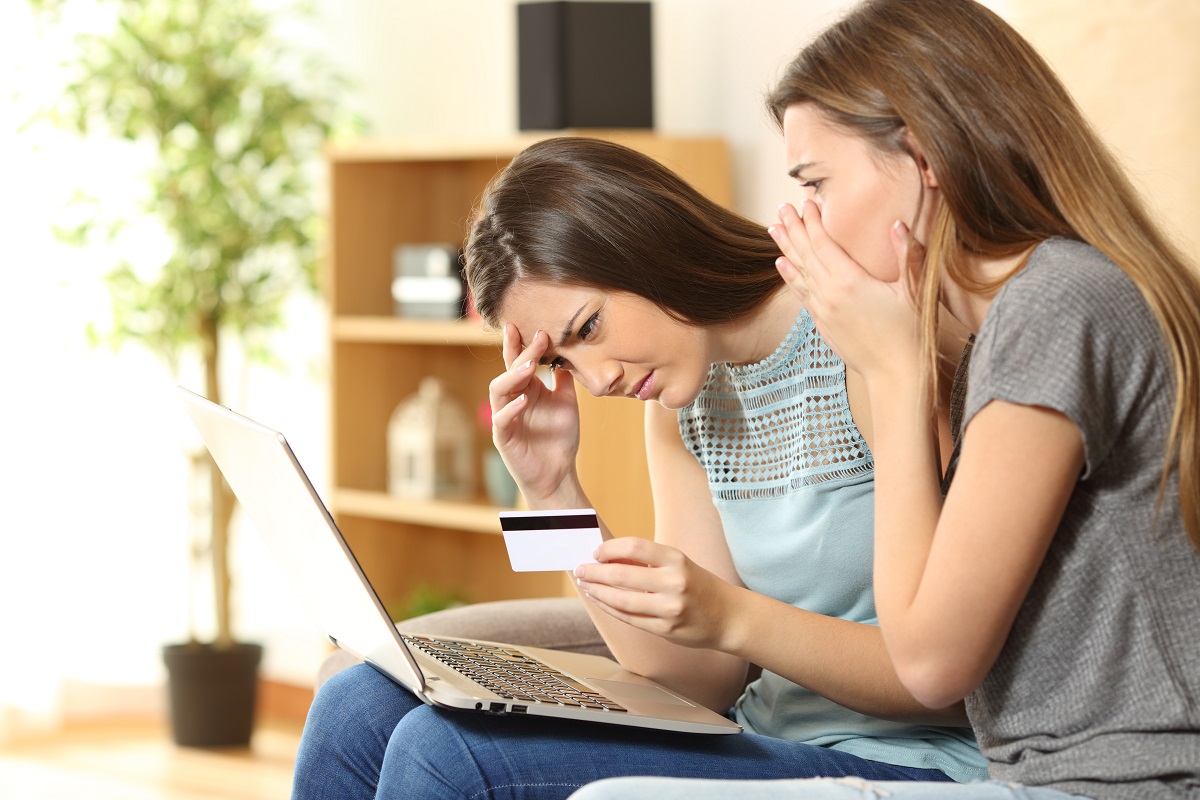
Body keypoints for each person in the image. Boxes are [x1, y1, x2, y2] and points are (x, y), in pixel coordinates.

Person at [567, 1, 1200, 799]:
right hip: (1030, 773)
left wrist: (895, 375)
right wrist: (552, 490)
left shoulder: (1056, 307)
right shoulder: (1013, 321)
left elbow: (929, 663)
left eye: (816, 183)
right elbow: (701, 676)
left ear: (926, 157)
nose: (801, 221)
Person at [290, 135, 989, 799]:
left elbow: (942, 672)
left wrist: (733, 616)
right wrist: (552, 488)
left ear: (646, 246)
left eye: (588, 328)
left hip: (905, 759)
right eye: (563, 360)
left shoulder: (861, 342)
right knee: (354, 704)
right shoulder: (684, 407)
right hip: (760, 738)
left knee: (443, 755)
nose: (596, 382)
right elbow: (693, 680)